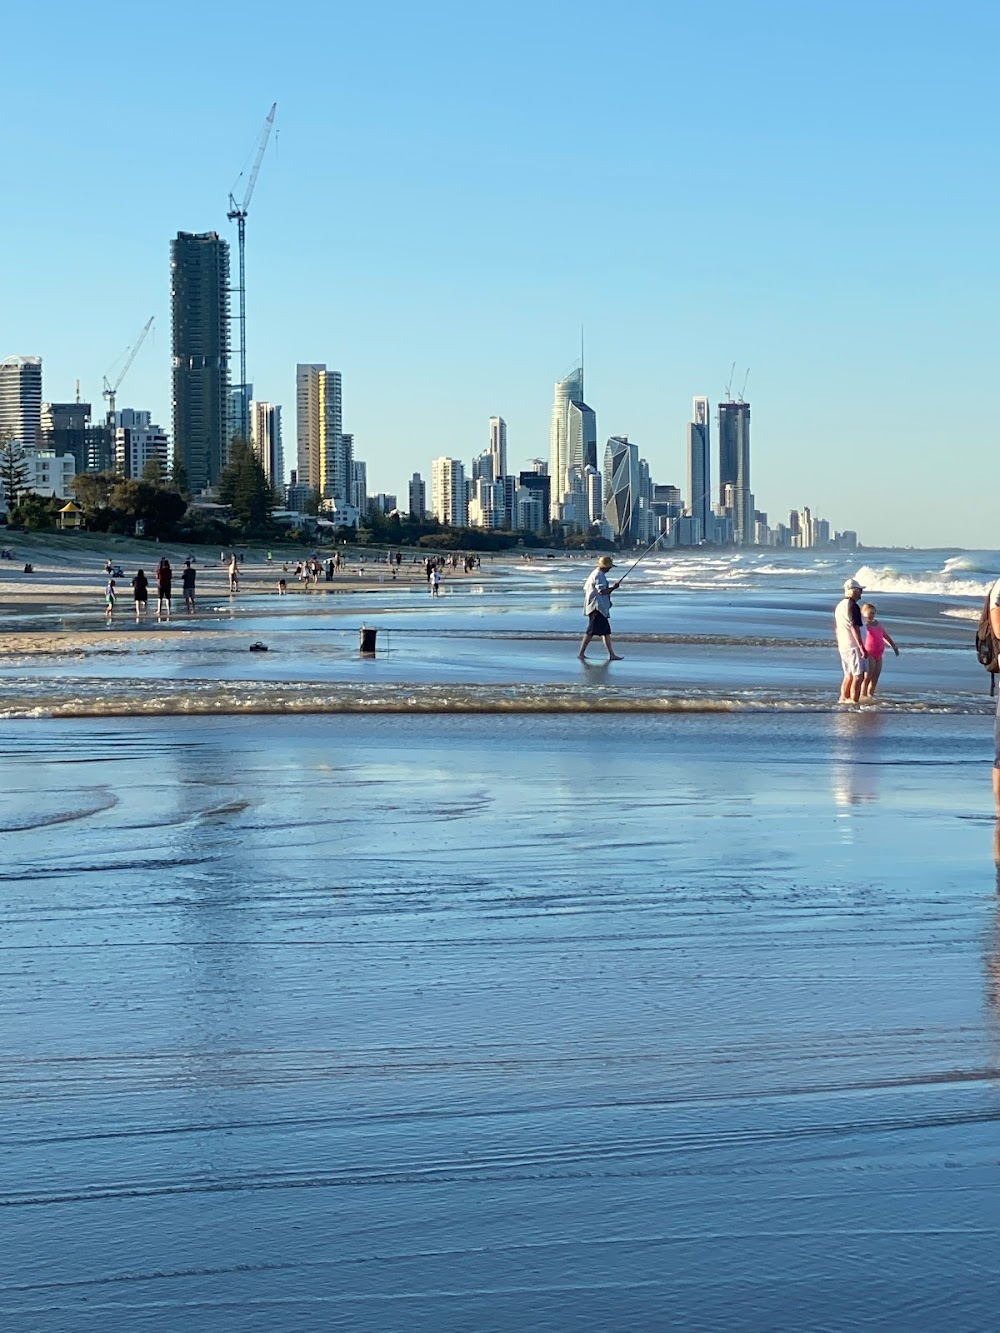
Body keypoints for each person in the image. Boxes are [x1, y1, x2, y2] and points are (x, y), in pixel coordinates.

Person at [579, 554, 624, 661]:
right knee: (591, 631)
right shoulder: (599, 575)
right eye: (609, 567)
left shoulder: (595, 573)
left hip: (595, 606)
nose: (609, 569)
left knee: (605, 631)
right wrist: (614, 588)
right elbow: (602, 591)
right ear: (605, 567)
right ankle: (581, 653)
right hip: (597, 607)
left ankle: (611, 654)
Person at [835, 578, 867, 703]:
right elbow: (855, 627)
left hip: (844, 645)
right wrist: (861, 646)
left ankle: (843, 699)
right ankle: (853, 701)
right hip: (853, 646)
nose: (861, 593)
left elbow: (837, 628)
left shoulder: (840, 606)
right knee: (858, 676)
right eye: (859, 590)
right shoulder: (852, 606)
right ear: (854, 591)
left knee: (849, 675)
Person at [860, 602, 899, 699]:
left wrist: (894, 646)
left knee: (875, 677)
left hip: (879, 652)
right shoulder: (864, 625)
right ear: (863, 613)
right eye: (869, 613)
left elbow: (885, 635)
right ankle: (863, 695)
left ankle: (870, 695)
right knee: (868, 676)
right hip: (870, 652)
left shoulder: (877, 624)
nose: (872, 615)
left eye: (873, 613)